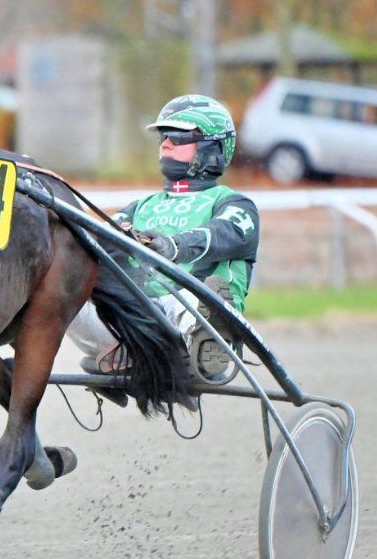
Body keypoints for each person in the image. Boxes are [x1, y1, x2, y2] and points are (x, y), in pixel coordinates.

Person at [67, 94, 261, 381]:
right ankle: (128, 349)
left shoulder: (233, 204)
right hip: (133, 319)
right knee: (66, 291)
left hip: (187, 310)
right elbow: (100, 241)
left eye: (178, 137)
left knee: (195, 297)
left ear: (212, 147)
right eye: (163, 137)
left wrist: (172, 246)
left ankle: (207, 339)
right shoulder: (140, 206)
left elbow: (223, 234)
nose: (166, 143)